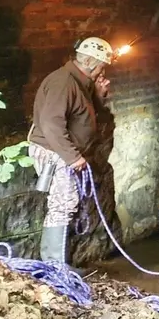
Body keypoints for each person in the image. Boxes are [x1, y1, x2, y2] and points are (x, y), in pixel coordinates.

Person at [29, 37, 115, 264]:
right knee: (63, 205)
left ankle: (59, 264)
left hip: (65, 153)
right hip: (55, 154)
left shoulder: (80, 83)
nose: (102, 71)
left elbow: (84, 115)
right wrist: (72, 157)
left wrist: (99, 95)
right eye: (100, 66)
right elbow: (51, 124)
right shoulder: (63, 83)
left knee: (67, 204)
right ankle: (55, 266)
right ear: (88, 61)